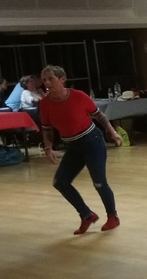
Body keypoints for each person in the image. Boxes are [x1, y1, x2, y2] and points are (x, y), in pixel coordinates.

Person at [39, 65, 124, 233]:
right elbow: (47, 128)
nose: (47, 83)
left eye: (51, 79)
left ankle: (112, 216)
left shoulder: (78, 96)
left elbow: (99, 115)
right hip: (73, 145)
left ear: (62, 79)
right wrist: (48, 148)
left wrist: (112, 132)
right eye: (44, 80)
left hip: (92, 141)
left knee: (99, 183)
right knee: (60, 182)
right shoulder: (45, 104)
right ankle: (86, 215)